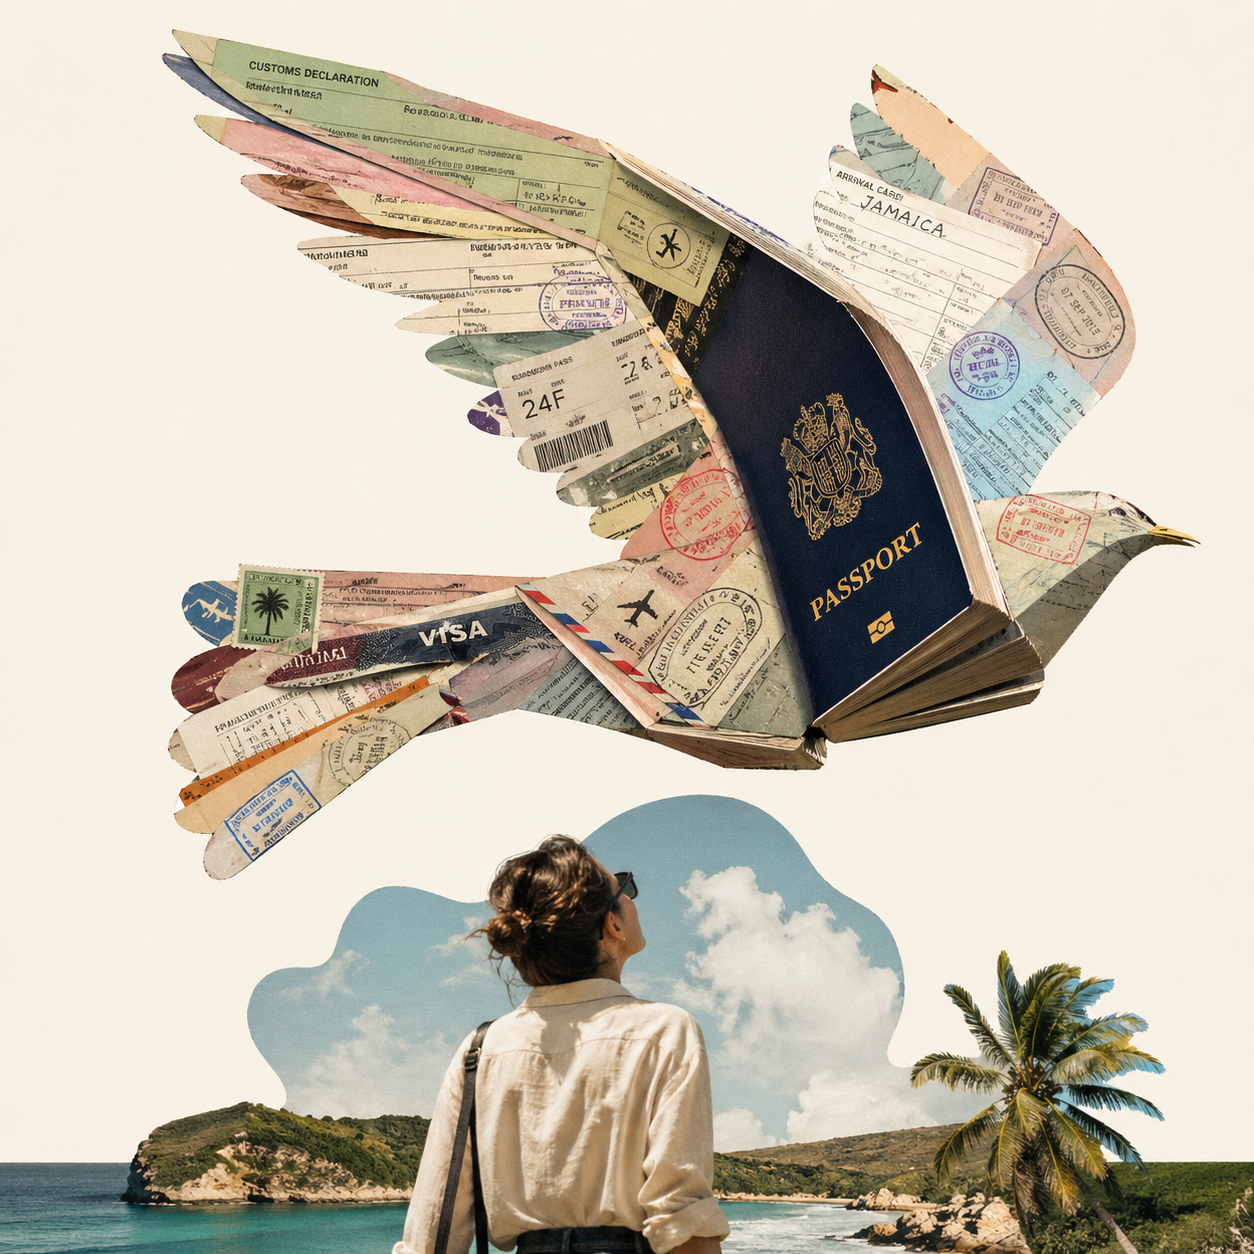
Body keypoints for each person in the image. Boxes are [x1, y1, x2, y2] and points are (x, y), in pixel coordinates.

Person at [393, 835, 729, 1254]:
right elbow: (683, 1223)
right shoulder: (664, 1032)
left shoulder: (480, 1050)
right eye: (625, 887)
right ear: (613, 924)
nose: (632, 897)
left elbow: (434, 1228)